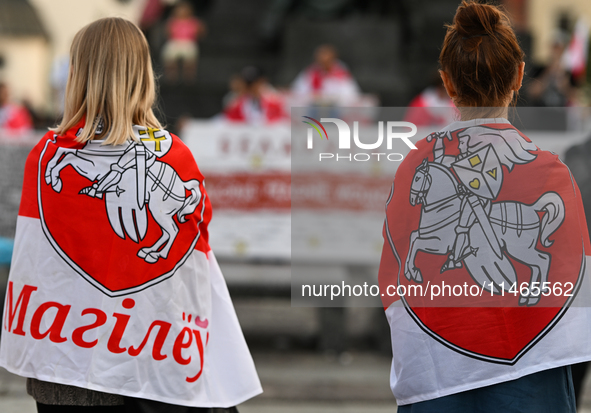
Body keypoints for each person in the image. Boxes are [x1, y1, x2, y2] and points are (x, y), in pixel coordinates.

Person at [0, 18, 261, 412]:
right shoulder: (175, 156)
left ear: (78, 74)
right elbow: (194, 254)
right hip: (152, 358)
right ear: (143, 75)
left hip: (67, 358)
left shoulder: (46, 155)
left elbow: (41, 259)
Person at [379, 2, 591, 412]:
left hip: (438, 378)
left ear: (447, 82)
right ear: (519, 75)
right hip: (532, 383)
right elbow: (574, 283)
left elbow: (396, 278)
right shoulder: (551, 172)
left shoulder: (413, 166)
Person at [291, 44, 360, 107]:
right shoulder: (312, 71)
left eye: (326, 55)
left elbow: (351, 94)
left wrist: (330, 98)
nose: (323, 59)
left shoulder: (341, 72)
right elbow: (297, 90)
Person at [162, 1, 206, 83]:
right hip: (175, 42)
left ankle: (189, 75)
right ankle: (171, 74)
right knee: (169, 53)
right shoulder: (172, 21)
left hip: (188, 42)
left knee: (190, 55)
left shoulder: (194, 21)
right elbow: (167, 32)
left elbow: (201, 32)